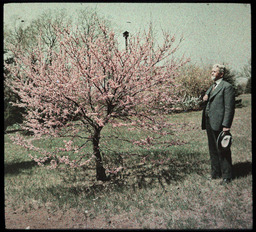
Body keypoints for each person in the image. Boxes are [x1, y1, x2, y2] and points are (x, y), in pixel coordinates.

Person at [202, 64, 235, 184]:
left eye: (214, 71)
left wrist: (226, 125)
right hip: (209, 122)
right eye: (211, 71)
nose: (212, 73)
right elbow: (209, 98)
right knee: (213, 149)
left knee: (223, 149)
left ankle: (227, 176)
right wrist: (206, 96)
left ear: (221, 74)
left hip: (220, 124)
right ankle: (216, 173)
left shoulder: (227, 87)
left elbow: (229, 108)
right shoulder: (213, 86)